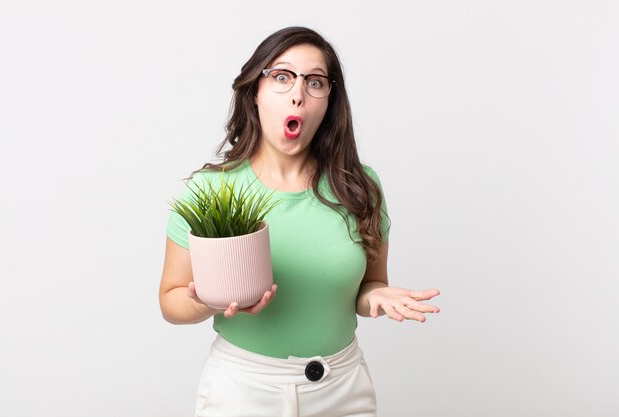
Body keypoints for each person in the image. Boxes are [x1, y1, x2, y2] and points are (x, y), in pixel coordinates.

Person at [159, 26, 441, 417]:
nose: (298, 93)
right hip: (244, 391)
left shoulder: (361, 187)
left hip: (343, 389)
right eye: (281, 76)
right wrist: (208, 300)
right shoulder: (211, 191)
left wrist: (375, 294)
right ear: (254, 91)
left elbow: (369, 283)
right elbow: (170, 300)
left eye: (315, 82)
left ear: (329, 100)